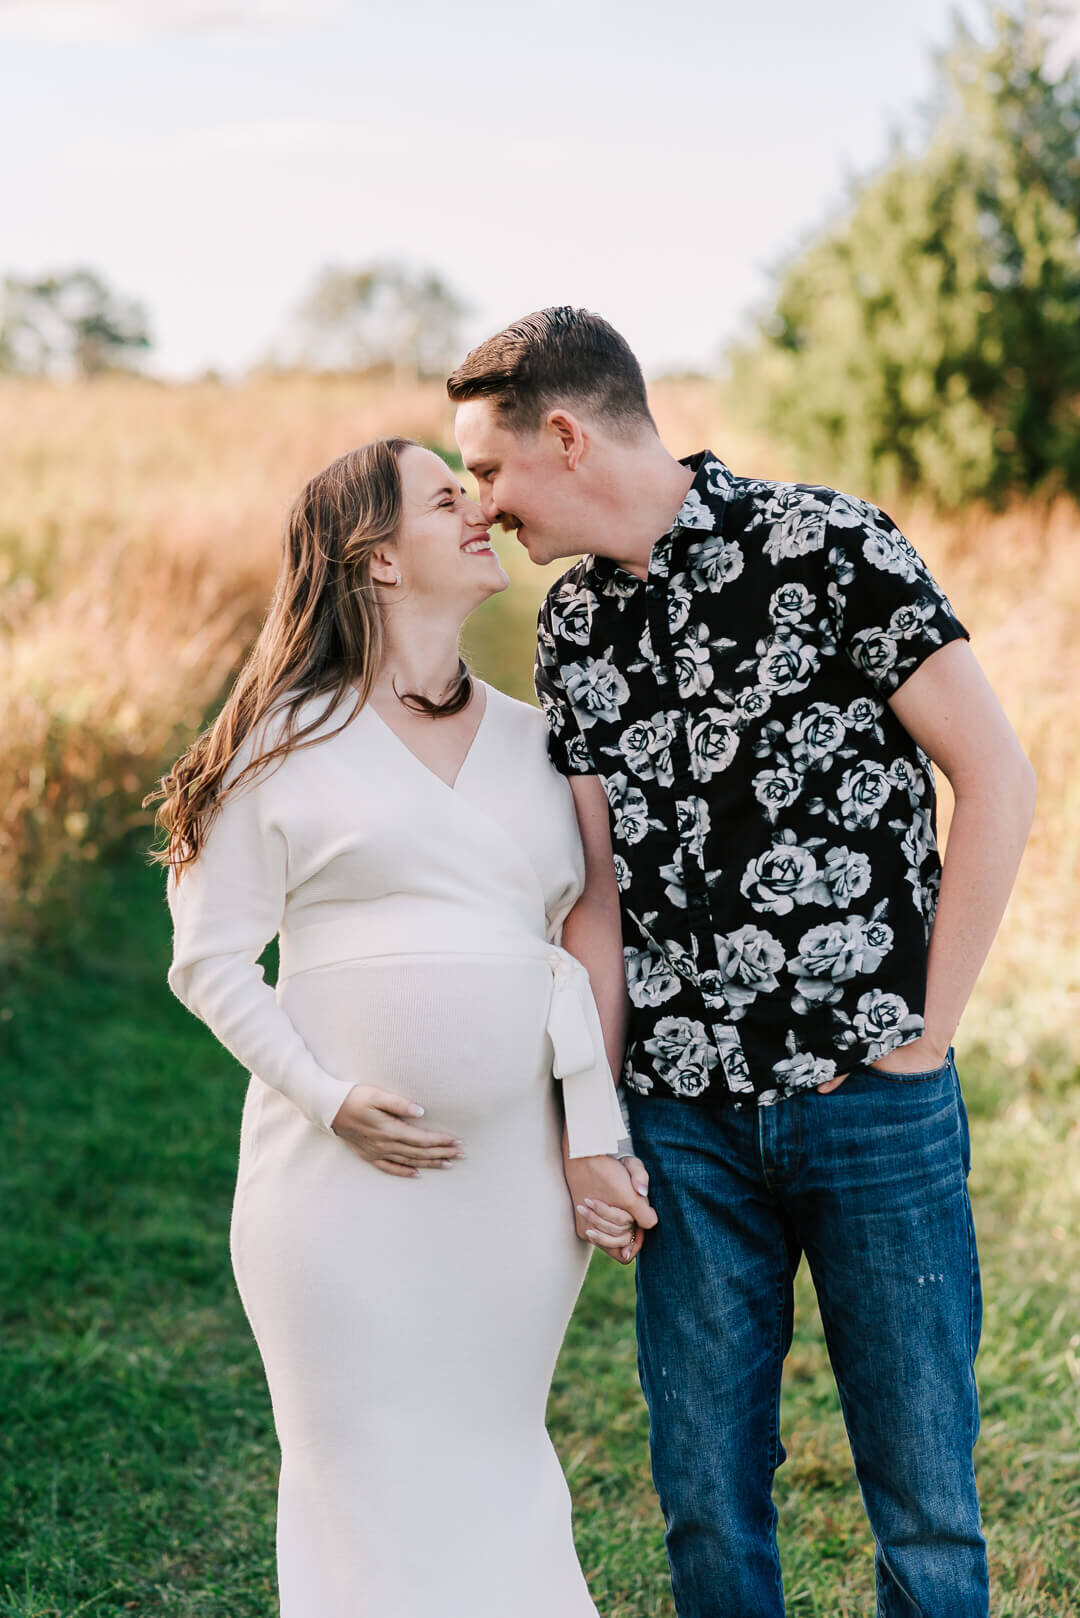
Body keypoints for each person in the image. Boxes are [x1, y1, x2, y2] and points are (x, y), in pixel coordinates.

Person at [449, 307, 1037, 1618]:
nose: (481, 508)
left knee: (926, 1498)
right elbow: (594, 898)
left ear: (563, 432)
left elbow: (997, 777)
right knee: (709, 1498)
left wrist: (926, 1031)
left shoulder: (831, 545)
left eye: (487, 470)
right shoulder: (575, 626)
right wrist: (592, 1117)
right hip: (684, 1120)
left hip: (874, 1098)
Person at [148, 437, 655, 1618]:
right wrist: (325, 1096)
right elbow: (209, 960)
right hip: (332, 1193)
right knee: (359, 1480)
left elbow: (581, 946)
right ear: (377, 560)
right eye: (446, 499)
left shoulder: (542, 740)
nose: (481, 510)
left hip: (515, 1196)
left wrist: (593, 1131)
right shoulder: (277, 743)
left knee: (497, 1465)